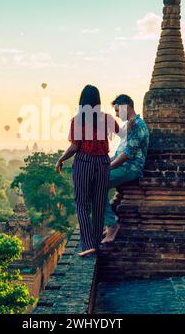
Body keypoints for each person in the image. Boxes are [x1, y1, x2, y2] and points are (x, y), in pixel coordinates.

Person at [55, 85, 119, 257]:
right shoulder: (106, 119)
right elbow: (122, 134)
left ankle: (88, 244)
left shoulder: (78, 120)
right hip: (103, 162)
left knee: (82, 204)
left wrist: (61, 159)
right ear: (98, 101)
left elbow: (75, 147)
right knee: (98, 204)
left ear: (82, 102)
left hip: (84, 161)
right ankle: (96, 243)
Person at [102, 94, 150, 243]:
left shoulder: (137, 125)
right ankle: (109, 221)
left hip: (131, 168)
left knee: (95, 183)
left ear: (126, 107)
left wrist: (107, 168)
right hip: (123, 166)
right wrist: (102, 164)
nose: (116, 114)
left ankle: (112, 224)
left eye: (117, 111)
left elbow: (127, 155)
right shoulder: (128, 125)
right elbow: (118, 153)